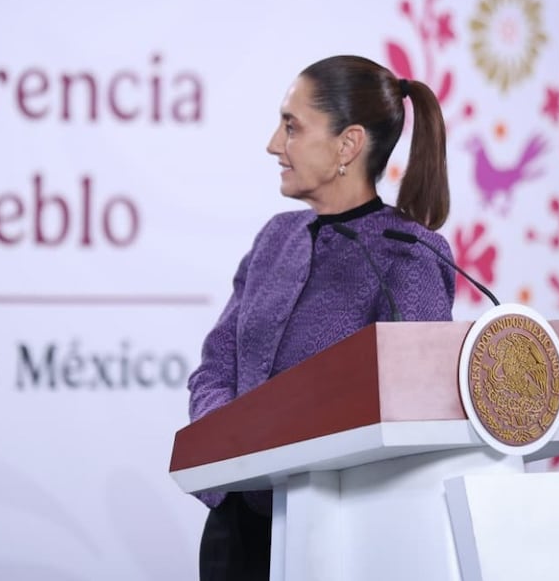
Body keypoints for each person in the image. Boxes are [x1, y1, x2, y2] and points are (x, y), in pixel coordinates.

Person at [186, 55, 457, 580]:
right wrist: (232, 447)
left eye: (291, 127)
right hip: (236, 528)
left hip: (341, 533)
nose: (273, 144)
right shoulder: (275, 238)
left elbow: (415, 413)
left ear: (347, 145)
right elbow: (216, 367)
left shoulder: (409, 254)